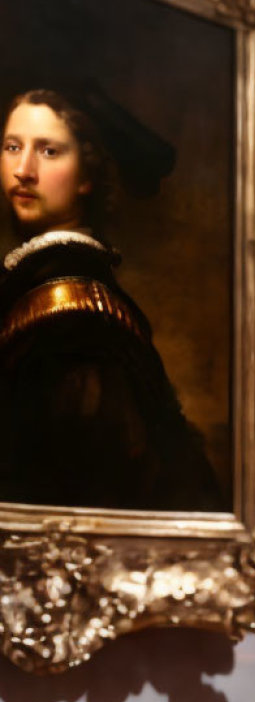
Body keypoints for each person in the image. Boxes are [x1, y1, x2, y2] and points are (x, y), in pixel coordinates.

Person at [0, 88, 224, 511]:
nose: (23, 170)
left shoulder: (74, 311)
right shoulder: (29, 279)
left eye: (49, 151)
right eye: (13, 147)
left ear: (87, 176)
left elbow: (70, 481)